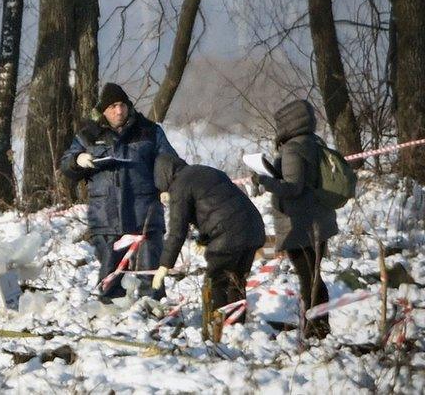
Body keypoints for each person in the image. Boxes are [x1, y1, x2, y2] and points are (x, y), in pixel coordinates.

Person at [60, 83, 178, 299]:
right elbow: (66, 164)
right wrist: (78, 160)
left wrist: (167, 185)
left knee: (150, 273)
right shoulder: (88, 135)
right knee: (110, 274)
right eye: (113, 106)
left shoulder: (149, 131)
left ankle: (151, 311)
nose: (119, 111)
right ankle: (111, 312)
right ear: (104, 110)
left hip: (145, 213)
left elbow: (168, 160)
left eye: (122, 105)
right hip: (106, 214)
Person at [253, 99, 338, 339]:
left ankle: (316, 330)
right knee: (313, 276)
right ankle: (318, 326)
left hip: (300, 226)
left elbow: (292, 187)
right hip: (318, 222)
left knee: (308, 279)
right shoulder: (314, 143)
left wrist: (264, 180)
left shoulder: (292, 148)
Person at [150, 154, 266, 318]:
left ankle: (215, 328)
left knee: (215, 283)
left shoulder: (179, 186)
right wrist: (203, 239)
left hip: (228, 236)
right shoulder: (205, 171)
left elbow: (177, 231)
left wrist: (164, 265)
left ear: (163, 176)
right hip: (253, 228)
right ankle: (235, 327)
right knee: (236, 281)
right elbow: (215, 206)